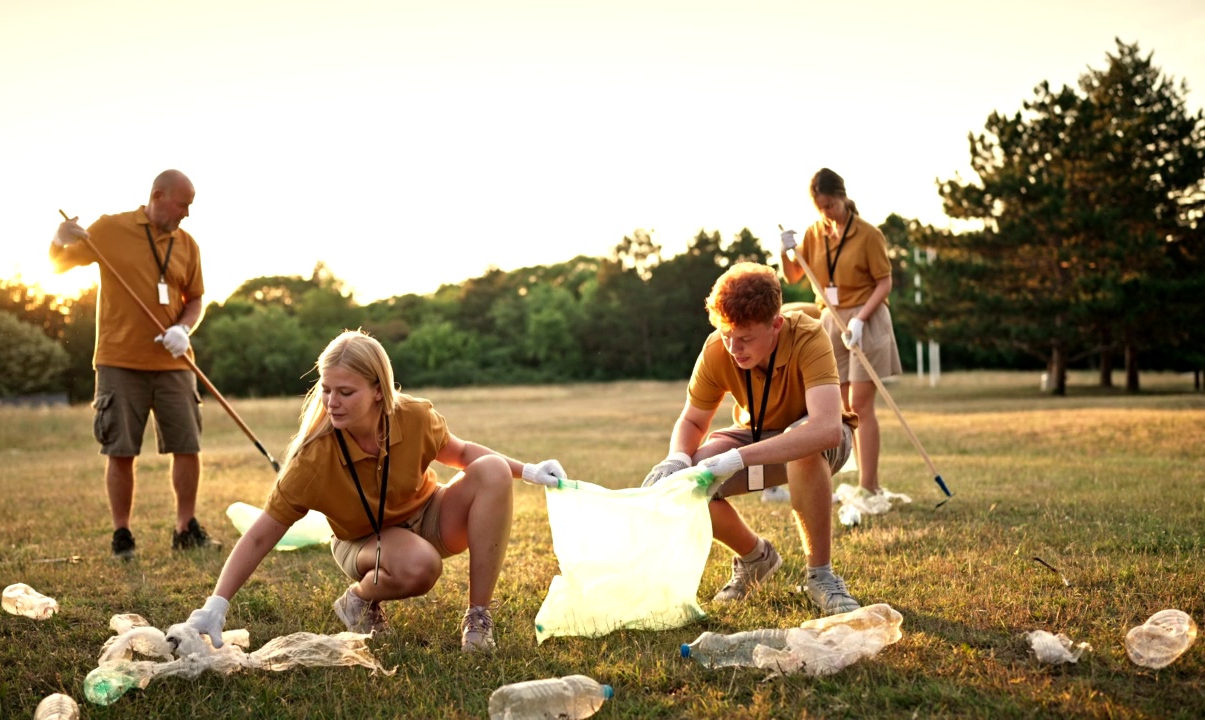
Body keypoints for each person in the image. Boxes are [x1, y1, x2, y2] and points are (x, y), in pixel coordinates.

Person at [178, 330, 568, 653]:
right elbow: (263, 533)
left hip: (428, 513)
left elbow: (463, 453)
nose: (332, 402)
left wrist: (529, 471)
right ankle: (360, 599)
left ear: (378, 391)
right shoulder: (313, 459)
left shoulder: (413, 416)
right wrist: (216, 605)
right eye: (327, 390)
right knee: (421, 566)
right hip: (362, 540)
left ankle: (478, 618)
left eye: (346, 392)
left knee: (493, 469)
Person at [642, 262, 862, 616]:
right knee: (691, 478)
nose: (733, 348)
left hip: (822, 441)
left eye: (745, 338)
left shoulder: (808, 335)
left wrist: (740, 459)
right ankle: (755, 557)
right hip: (756, 434)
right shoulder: (718, 347)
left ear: (776, 325)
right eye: (727, 335)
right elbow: (693, 419)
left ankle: (820, 576)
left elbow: (825, 429)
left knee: (803, 446)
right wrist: (677, 460)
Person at [50, 169, 217, 560]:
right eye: (183, 204)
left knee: (187, 445)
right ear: (158, 196)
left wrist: (184, 328)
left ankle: (185, 528)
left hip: (174, 361)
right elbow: (59, 264)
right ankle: (122, 534)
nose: (188, 214)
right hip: (119, 360)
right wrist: (59, 238)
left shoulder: (188, 245)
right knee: (121, 450)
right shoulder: (109, 229)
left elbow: (195, 300)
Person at [781, 168, 902, 497]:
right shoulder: (814, 233)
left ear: (843, 197)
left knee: (860, 405)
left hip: (867, 320)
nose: (826, 212)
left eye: (830, 205)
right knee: (842, 409)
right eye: (820, 207)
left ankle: (869, 485)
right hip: (830, 322)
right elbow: (794, 277)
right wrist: (785, 251)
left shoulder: (868, 234)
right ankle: (852, 479)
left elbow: (884, 282)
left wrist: (860, 320)